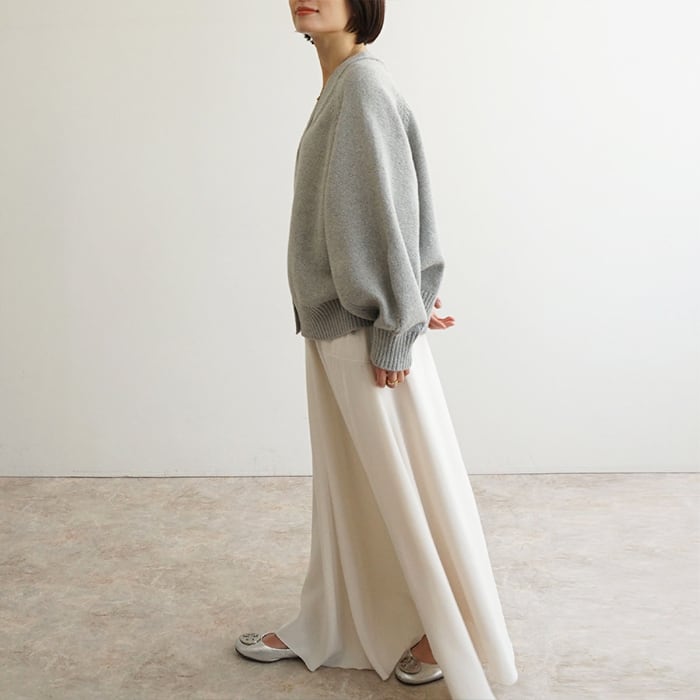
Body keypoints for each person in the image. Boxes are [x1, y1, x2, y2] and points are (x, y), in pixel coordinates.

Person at [235, 2, 519, 698]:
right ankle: (334, 620)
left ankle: (446, 634)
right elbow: (389, 199)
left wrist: (398, 317)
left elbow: (390, 210)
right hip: (341, 321)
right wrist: (413, 295)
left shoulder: (361, 86)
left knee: (404, 489)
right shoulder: (344, 85)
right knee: (354, 489)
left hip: (362, 330)